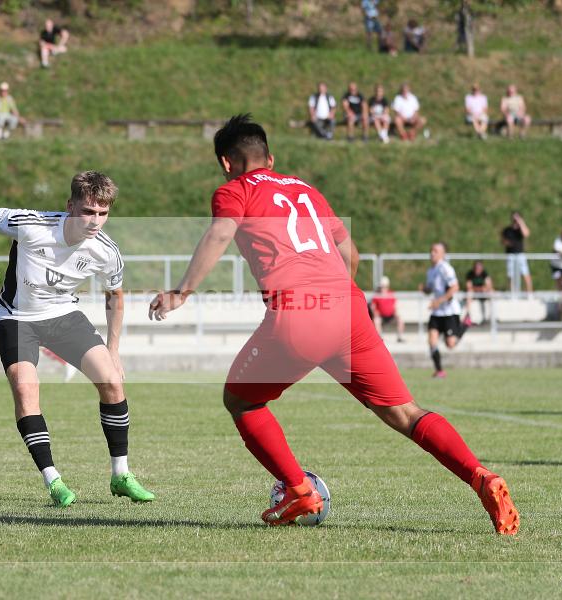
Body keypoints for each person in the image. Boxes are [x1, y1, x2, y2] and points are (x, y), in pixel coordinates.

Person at [148, 114, 519, 534]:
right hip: (348, 310)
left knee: (242, 402)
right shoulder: (307, 190)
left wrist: (181, 293)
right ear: (270, 157)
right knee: (405, 412)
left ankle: (298, 489)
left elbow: (219, 235)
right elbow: (351, 254)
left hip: (300, 314)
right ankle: (481, 476)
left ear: (226, 163)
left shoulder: (234, 190)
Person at [0, 171, 154, 508]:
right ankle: (53, 480)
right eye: (88, 211)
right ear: (70, 206)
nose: (95, 221)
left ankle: (121, 475)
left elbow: (115, 296)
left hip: (63, 316)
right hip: (16, 318)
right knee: (26, 387)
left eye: (103, 213)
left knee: (112, 381)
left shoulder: (107, 252)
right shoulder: (32, 224)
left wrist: (114, 351)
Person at [423, 243, 464, 379]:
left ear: (443, 254)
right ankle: (439, 370)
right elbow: (430, 288)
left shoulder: (445, 268)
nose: (432, 253)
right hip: (437, 313)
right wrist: (425, 289)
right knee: (432, 340)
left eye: (435, 251)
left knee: (450, 344)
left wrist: (438, 302)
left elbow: (455, 287)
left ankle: (466, 324)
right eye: (431, 250)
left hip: (449, 311)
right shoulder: (431, 271)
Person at [501, 211, 533, 297]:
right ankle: (511, 293)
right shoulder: (507, 230)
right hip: (510, 255)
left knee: (525, 273)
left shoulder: (521, 229)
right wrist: (506, 243)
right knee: (510, 274)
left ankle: (529, 293)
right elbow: (503, 241)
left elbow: (526, 234)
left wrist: (521, 222)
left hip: (520, 254)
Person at [371, 276, 405, 342]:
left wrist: (396, 313)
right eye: (382, 286)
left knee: (400, 319)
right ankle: (380, 339)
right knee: (376, 320)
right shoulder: (377, 295)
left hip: (391, 315)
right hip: (381, 316)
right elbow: (373, 306)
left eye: (385, 286)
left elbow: (395, 306)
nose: (383, 288)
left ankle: (399, 337)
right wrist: (375, 313)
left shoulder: (391, 293)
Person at [464, 260, 493, 326]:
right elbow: (469, 287)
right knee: (469, 293)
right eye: (476, 268)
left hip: (482, 293)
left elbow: (489, 286)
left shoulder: (484, 274)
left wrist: (482, 289)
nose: (478, 269)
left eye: (479, 268)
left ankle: (491, 316)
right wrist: (480, 288)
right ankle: (468, 316)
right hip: (474, 293)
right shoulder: (470, 274)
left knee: (491, 292)